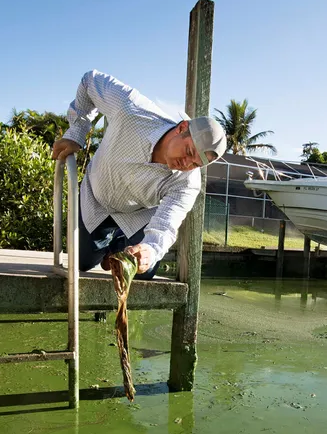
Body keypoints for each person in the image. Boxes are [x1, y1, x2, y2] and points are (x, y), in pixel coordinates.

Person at [50, 70, 227, 279]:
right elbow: (90, 80)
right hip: (95, 199)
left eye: (195, 164)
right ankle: (111, 246)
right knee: (82, 262)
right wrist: (76, 133)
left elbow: (167, 225)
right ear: (182, 128)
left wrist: (150, 251)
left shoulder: (188, 182)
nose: (185, 164)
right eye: (189, 152)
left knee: (144, 270)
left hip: (136, 215)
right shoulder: (131, 108)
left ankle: (122, 245)